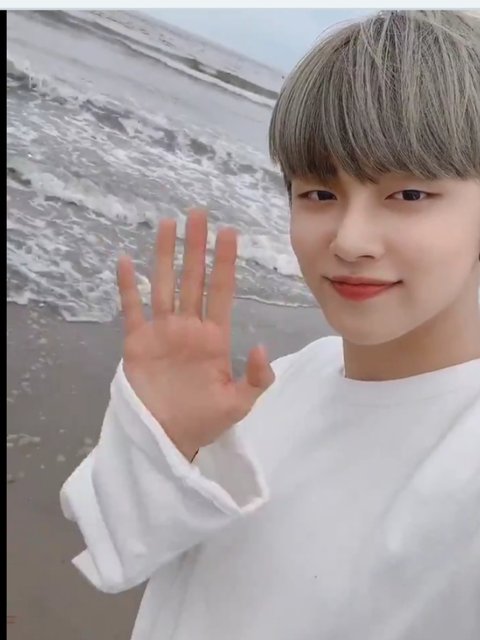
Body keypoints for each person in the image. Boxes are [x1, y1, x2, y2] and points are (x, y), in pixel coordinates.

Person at [60, 9, 480, 640]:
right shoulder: (282, 382)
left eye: (409, 195)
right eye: (319, 193)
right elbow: (118, 547)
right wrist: (169, 442)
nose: (350, 239)